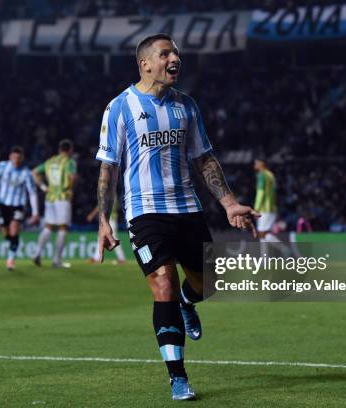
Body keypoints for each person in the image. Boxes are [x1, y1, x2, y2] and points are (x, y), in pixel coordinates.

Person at [95, 33, 259, 401]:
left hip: (187, 208)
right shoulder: (119, 107)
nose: (175, 59)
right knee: (163, 282)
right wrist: (104, 219)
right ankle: (177, 376)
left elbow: (204, 158)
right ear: (145, 63)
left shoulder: (186, 106)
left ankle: (189, 303)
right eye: (166, 53)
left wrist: (230, 203)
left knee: (207, 284)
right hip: (145, 213)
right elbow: (108, 168)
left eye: (177, 54)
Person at [0, 146, 39, 271]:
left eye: (18, 157)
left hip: (18, 205)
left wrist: (35, 212)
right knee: (5, 231)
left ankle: (10, 259)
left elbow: (32, 193)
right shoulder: (2, 166)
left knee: (14, 228)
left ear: (22, 158)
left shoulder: (26, 172)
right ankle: (13, 243)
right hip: (3, 204)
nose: (16, 160)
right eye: (14, 157)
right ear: (10, 157)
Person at [32, 139, 77, 268]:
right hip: (63, 197)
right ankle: (57, 261)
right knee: (63, 228)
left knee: (48, 227)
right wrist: (71, 190)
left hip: (50, 197)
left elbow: (34, 172)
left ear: (59, 149)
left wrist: (42, 186)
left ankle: (37, 253)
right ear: (70, 150)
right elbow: (71, 177)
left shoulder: (50, 161)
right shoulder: (70, 162)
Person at [253, 159, 292, 256]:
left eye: (256, 163)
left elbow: (260, 193)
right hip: (272, 207)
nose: (255, 164)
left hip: (264, 208)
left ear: (262, 164)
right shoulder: (271, 175)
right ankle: (282, 250)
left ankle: (268, 257)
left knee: (262, 233)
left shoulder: (262, 175)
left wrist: (256, 208)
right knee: (265, 234)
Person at [86, 197, 126, 264]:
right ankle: (97, 257)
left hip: (109, 218)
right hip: (110, 218)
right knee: (102, 237)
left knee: (113, 238)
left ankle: (121, 258)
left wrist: (92, 215)